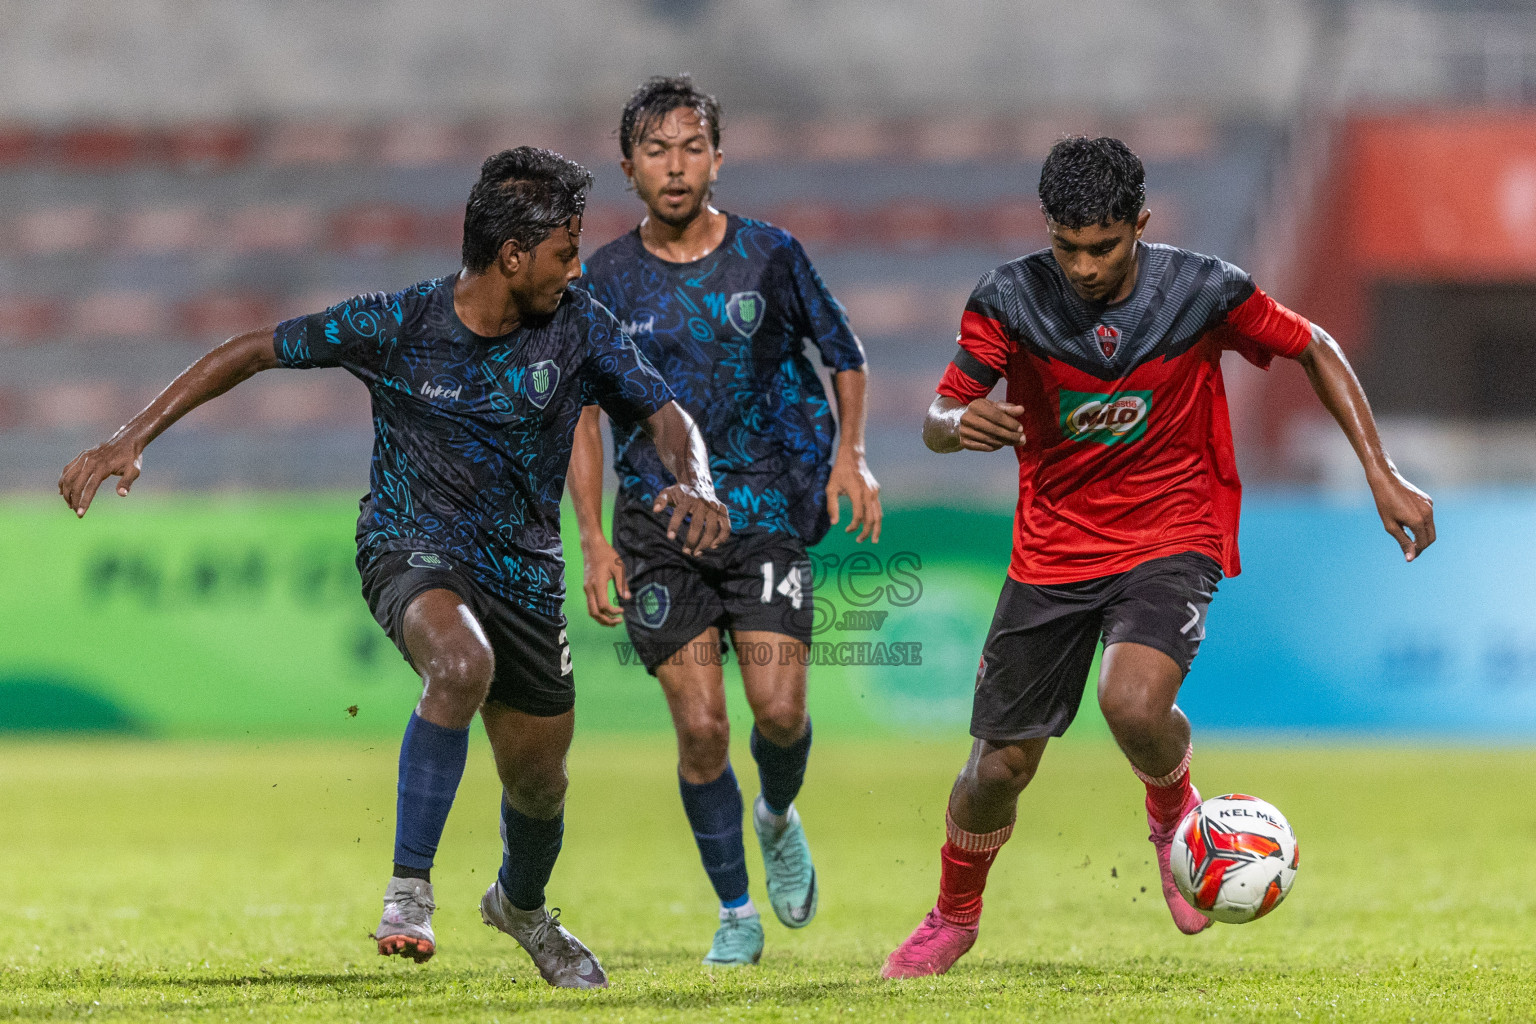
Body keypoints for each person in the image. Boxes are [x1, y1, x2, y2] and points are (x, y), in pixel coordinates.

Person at [58, 146, 730, 989]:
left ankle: (520, 907)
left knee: (541, 788)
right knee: (459, 663)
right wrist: (131, 436)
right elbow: (255, 349)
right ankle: (409, 888)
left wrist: (696, 480)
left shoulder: (580, 324)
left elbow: (664, 414)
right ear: (512, 256)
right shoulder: (398, 323)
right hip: (408, 545)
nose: (576, 265)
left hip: (525, 572)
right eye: (565, 249)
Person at [881, 135, 1435, 978]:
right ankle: (954, 915)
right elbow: (937, 414)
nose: (1084, 267)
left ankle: (1175, 818)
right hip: (1053, 550)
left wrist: (1380, 470)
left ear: (1140, 224)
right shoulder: (1008, 299)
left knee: (1133, 703)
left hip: (1173, 531)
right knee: (998, 767)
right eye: (1067, 248)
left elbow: (1313, 345)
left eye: (1102, 247)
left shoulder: (1203, 291)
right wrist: (959, 427)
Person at [568, 75, 880, 966]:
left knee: (778, 713)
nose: (676, 166)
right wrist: (591, 539)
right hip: (658, 528)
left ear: (717, 155)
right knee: (702, 727)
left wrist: (850, 455)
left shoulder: (771, 256)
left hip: (766, 511)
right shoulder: (603, 281)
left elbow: (845, 354)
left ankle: (776, 814)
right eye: (657, 150)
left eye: (692, 146)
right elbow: (584, 416)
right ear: (628, 166)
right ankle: (737, 911)